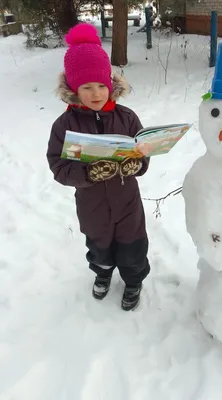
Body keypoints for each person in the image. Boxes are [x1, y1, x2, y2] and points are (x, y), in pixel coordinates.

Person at [46, 23, 150, 311]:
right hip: (91, 203)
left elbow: (143, 152)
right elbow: (58, 165)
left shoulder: (127, 117)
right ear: (73, 88)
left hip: (127, 200)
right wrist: (88, 174)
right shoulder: (65, 125)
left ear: (111, 83)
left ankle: (133, 281)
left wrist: (137, 163)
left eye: (102, 85)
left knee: (132, 247)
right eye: (87, 87)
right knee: (99, 246)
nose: (96, 93)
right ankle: (103, 273)